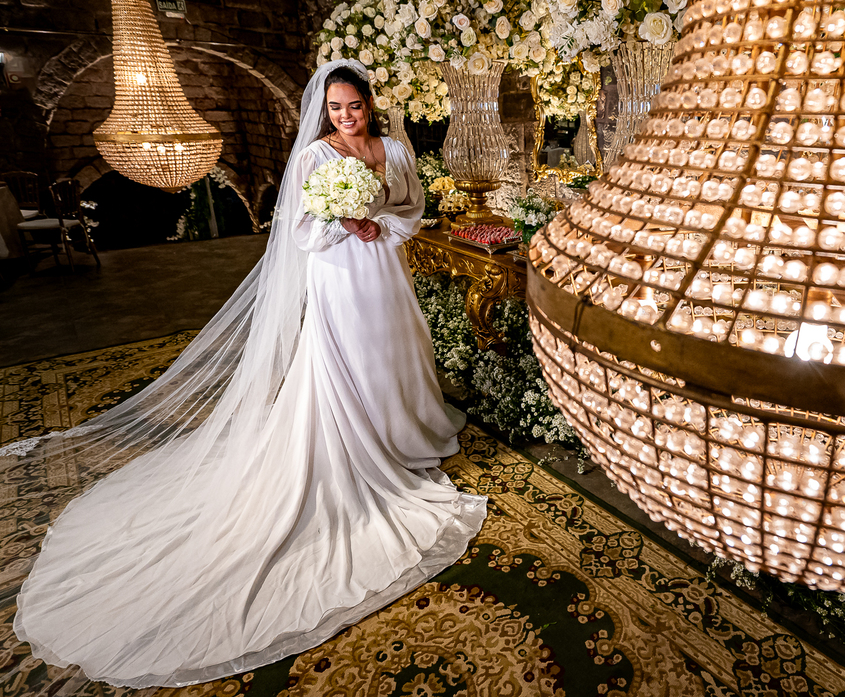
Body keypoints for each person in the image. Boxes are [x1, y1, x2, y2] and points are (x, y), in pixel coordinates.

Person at [5, 60, 486, 689]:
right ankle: (361, 444)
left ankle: (407, 431)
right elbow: (300, 230)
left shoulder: (393, 149)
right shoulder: (316, 157)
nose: (346, 116)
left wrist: (382, 225)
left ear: (370, 103)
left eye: (355, 106)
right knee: (353, 360)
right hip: (339, 277)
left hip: (383, 272)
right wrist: (342, 223)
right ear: (327, 110)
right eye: (336, 108)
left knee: (399, 350)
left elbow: (412, 207)